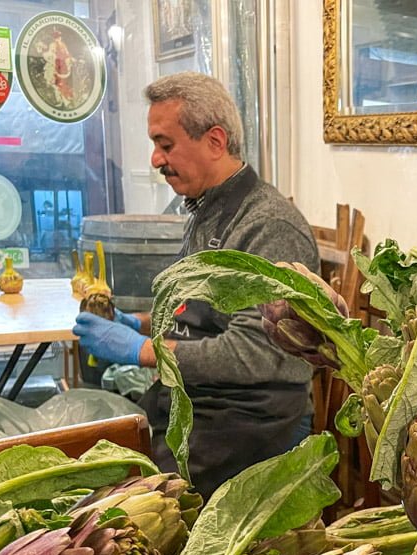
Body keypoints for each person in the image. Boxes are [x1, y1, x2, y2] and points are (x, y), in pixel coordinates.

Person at [73, 72, 319, 499]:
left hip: (250, 423)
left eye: (165, 145)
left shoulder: (269, 226)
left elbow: (257, 354)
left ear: (215, 141)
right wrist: (141, 323)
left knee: (127, 502)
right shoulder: (205, 210)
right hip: (199, 406)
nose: (155, 159)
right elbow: (199, 313)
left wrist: (143, 351)